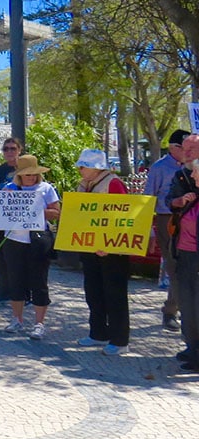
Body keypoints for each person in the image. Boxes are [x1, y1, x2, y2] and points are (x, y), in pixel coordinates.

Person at [73, 149, 131, 355]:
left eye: (83, 166)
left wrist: (109, 244)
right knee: (93, 291)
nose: (80, 170)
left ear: (96, 168)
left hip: (112, 250)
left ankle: (119, 340)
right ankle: (98, 333)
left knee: (114, 294)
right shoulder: (83, 185)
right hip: (89, 247)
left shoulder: (113, 183)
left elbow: (123, 215)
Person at [0, 155, 61, 340]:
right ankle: (17, 319)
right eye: (27, 174)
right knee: (15, 280)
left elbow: (56, 212)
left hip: (38, 240)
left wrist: (35, 211)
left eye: (34, 174)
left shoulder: (46, 188)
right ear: (19, 175)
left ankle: (39, 323)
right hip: (14, 240)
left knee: (39, 282)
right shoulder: (9, 188)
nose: (31, 177)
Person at [145, 129, 190, 332]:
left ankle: (185, 310)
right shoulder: (159, 168)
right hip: (167, 219)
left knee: (189, 266)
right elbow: (148, 198)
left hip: (190, 219)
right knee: (174, 266)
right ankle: (171, 311)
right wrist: (149, 230)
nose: (188, 151)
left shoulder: (193, 166)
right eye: (184, 147)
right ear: (173, 148)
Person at [170, 158, 199, 372]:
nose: (193, 175)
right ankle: (193, 350)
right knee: (188, 307)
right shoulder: (194, 198)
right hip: (186, 257)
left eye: (197, 172)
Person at [0, 137, 23, 304]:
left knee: (20, 258)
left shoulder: (25, 168)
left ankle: (22, 292)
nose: (9, 152)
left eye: (13, 148)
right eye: (6, 149)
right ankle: (3, 290)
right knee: (1, 256)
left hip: (21, 220)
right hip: (2, 219)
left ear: (19, 150)